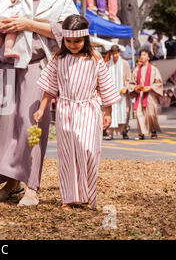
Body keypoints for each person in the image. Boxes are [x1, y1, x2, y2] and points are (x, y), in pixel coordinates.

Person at [0, 0, 78, 207]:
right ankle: (11, 181)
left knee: (31, 125)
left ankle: (31, 186)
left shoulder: (62, 2)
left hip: (36, 67)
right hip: (5, 67)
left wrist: (28, 23)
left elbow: (70, 32)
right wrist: (5, 24)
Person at [34, 14, 120, 210]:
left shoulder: (95, 59)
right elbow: (49, 87)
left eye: (78, 41)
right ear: (64, 39)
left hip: (89, 110)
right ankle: (69, 198)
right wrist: (41, 108)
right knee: (67, 155)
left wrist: (108, 112)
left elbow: (105, 86)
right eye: (69, 40)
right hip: (66, 110)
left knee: (88, 150)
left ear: (85, 39)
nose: (73, 44)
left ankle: (90, 195)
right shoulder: (58, 58)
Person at [129, 49, 163, 140]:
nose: (142, 57)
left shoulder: (154, 69)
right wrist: (135, 88)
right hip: (139, 95)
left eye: (144, 55)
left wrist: (151, 87)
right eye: (141, 55)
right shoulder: (136, 70)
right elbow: (132, 83)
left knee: (151, 114)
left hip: (150, 95)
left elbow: (159, 83)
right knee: (140, 114)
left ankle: (153, 131)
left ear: (148, 57)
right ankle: (141, 134)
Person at [106, 45, 132, 140]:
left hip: (122, 93)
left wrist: (126, 87)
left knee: (124, 112)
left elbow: (129, 78)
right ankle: (110, 133)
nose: (115, 55)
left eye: (116, 53)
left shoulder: (125, 64)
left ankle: (124, 132)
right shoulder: (108, 64)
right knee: (111, 112)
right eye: (113, 54)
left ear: (119, 53)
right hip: (111, 92)